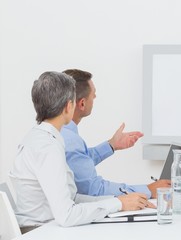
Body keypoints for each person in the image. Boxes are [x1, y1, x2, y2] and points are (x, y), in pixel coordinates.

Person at [10, 72, 153, 233]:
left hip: (44, 227)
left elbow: (72, 198)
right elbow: (67, 216)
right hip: (40, 231)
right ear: (68, 106)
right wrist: (118, 204)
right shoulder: (47, 148)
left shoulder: (40, 137)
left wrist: (119, 201)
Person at [60, 69, 170, 199]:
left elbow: (79, 162)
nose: (95, 98)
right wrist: (148, 190)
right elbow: (94, 189)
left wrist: (111, 145)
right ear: (82, 103)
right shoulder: (70, 140)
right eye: (93, 95)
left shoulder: (63, 133)